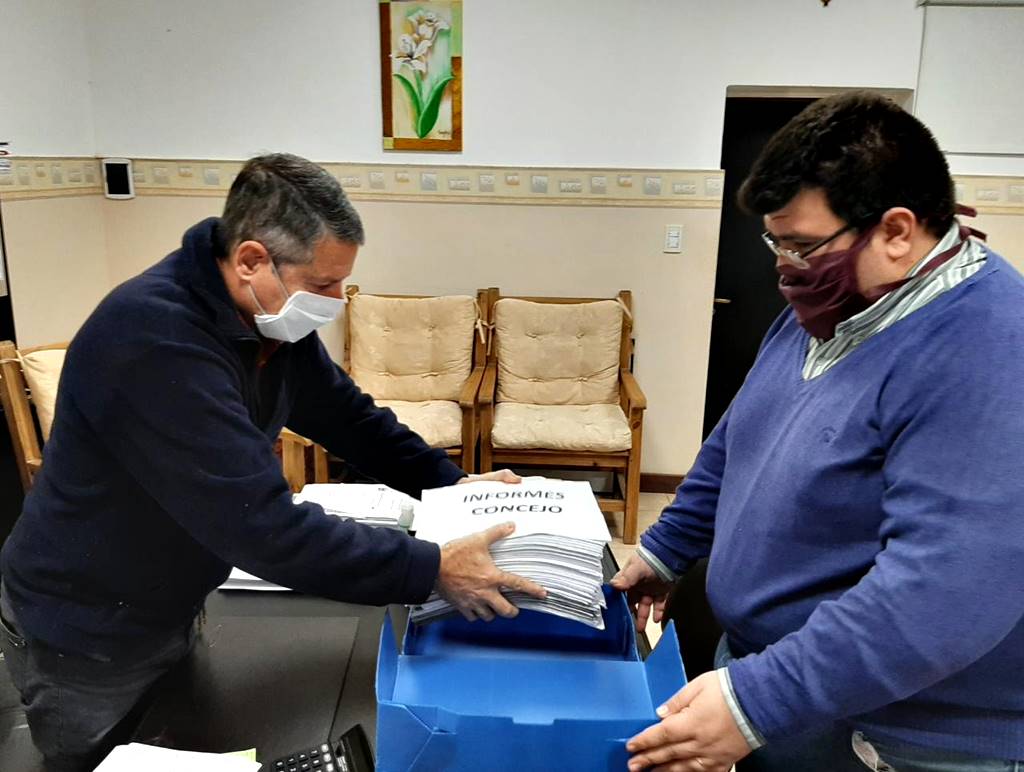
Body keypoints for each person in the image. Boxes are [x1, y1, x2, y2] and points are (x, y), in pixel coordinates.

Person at [0, 153, 545, 771]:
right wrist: (431, 567)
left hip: (169, 597)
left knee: (181, 733)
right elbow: (260, 524)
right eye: (323, 284)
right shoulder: (153, 338)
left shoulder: (266, 321)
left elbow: (350, 419)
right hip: (86, 624)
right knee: (100, 761)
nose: (336, 301)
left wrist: (454, 488)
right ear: (251, 260)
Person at [612, 91, 1024, 772]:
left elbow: (945, 592)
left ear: (897, 232)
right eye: (775, 242)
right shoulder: (832, 306)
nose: (784, 267)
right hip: (787, 688)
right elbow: (736, 444)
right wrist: (665, 551)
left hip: (893, 733)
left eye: (802, 246)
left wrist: (757, 701)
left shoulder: (989, 349)